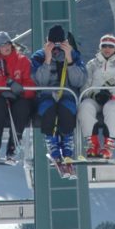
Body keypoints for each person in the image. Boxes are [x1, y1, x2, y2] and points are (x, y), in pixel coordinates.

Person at [31, 25, 86, 162]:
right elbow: (39, 82)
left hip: (67, 94)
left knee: (67, 108)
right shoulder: (39, 56)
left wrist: (69, 59)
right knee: (47, 108)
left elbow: (79, 81)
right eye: (52, 44)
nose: (56, 49)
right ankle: (51, 140)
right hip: (47, 95)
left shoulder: (73, 55)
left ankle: (67, 140)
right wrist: (47, 60)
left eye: (59, 44)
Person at [77, 34, 115, 159]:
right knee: (85, 106)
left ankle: (108, 145)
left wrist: (114, 81)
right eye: (104, 46)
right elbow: (85, 84)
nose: (107, 49)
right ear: (100, 48)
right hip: (96, 98)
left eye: (111, 46)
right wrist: (93, 93)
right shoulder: (93, 64)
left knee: (112, 109)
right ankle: (92, 144)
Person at [0, 31, 35, 161]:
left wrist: (21, 91)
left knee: (22, 107)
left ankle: (14, 143)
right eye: (2, 45)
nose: (6, 47)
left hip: (18, 97)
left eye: (8, 43)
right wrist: (7, 84)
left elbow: (30, 83)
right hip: (0, 96)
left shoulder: (22, 61)